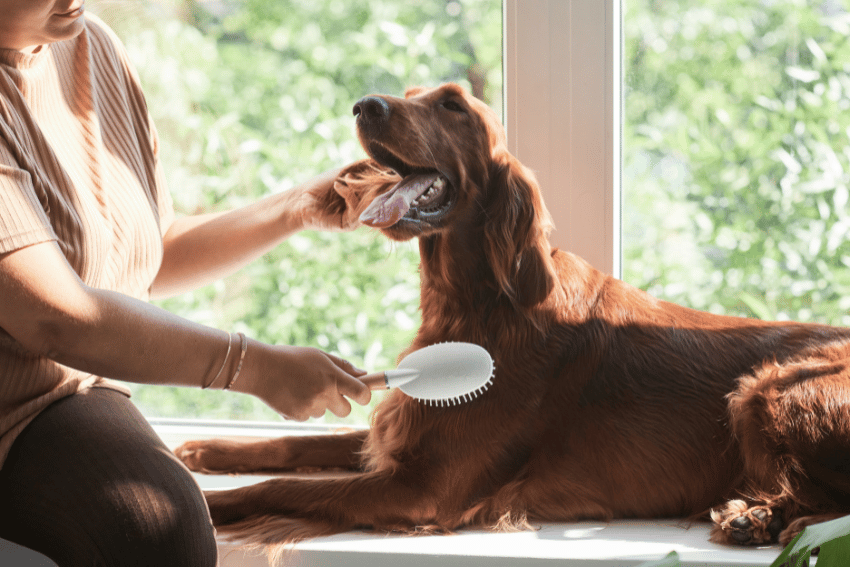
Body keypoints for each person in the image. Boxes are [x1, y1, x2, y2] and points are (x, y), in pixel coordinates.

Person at [0, 2, 373, 565]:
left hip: (73, 389)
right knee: (154, 525)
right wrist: (255, 367)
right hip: (16, 407)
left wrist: (294, 208)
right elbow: (55, 317)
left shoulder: (88, 43)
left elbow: (148, 251)